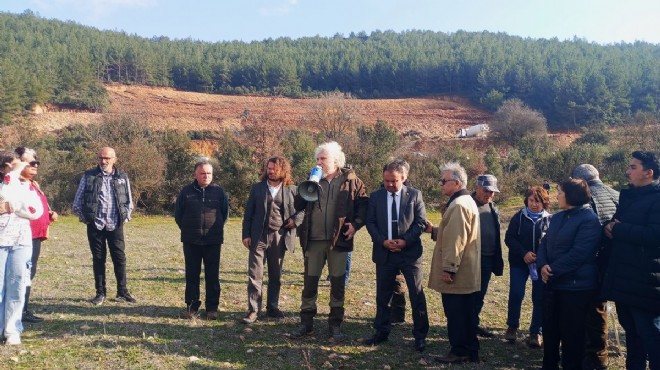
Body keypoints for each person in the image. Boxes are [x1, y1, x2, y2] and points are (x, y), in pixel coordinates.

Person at [289, 141, 368, 342]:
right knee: (310, 283)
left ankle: (335, 325)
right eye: (317, 159)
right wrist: (308, 186)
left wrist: (356, 225)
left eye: (323, 158)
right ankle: (306, 324)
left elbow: (363, 207)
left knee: (338, 284)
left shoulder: (351, 181)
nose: (319, 162)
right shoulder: (313, 180)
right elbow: (297, 205)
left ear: (335, 160)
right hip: (313, 240)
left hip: (338, 241)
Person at [602, 151, 660, 370]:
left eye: (633, 167)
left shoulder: (657, 198)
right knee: (633, 338)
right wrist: (607, 226)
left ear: (649, 172)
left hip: (647, 282)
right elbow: (617, 222)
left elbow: (655, 235)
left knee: (652, 337)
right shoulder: (629, 196)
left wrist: (619, 229)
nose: (627, 171)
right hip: (624, 278)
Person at [363, 160, 429, 352]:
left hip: (409, 254)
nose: (390, 185)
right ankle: (381, 332)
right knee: (383, 296)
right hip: (385, 253)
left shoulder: (415, 195)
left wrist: (405, 241)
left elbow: (420, 222)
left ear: (404, 178)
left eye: (394, 181)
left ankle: (420, 336)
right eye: (386, 181)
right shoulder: (376, 197)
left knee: (416, 295)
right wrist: (383, 241)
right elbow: (371, 222)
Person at [537, 178, 601, 370]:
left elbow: (580, 253)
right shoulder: (557, 217)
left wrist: (553, 270)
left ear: (572, 195)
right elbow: (544, 244)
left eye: (560, 192)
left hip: (576, 287)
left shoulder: (589, 220)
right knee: (550, 330)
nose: (557, 195)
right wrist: (542, 265)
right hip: (553, 284)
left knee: (572, 335)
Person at [428, 162, 481, 364]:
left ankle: (459, 350)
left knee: (456, 313)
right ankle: (470, 349)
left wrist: (449, 268)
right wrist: (434, 231)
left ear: (456, 183)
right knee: (466, 313)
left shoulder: (458, 205)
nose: (441, 184)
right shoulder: (466, 201)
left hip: (458, 273)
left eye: (444, 181)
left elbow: (455, 240)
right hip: (466, 270)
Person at [241, 156, 303, 324]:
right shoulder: (257, 188)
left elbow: (303, 210)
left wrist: (295, 220)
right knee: (255, 275)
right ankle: (253, 310)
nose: (270, 171)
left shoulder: (292, 190)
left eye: (274, 169)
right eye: (268, 168)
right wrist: (246, 234)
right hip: (258, 236)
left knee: (276, 275)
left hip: (280, 236)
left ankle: (272, 307)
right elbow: (248, 214)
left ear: (282, 170)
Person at [72, 147, 136, 306]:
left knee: (119, 259)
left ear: (115, 159)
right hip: (96, 225)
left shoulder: (122, 177)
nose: (103, 161)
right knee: (98, 259)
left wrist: (126, 216)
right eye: (101, 157)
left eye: (107, 158)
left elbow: (129, 201)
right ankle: (100, 293)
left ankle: (122, 292)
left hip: (116, 224)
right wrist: (86, 219)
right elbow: (77, 202)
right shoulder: (88, 176)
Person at [572, 163, 619, 370]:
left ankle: (595, 356)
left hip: (594, 263)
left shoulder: (586, 198)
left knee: (593, 310)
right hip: (618, 263)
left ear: (580, 181)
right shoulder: (617, 195)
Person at [174, 159, 229, 320]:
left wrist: (215, 228)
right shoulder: (186, 192)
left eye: (209, 173)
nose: (206, 176)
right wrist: (188, 229)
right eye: (203, 173)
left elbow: (224, 215)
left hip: (213, 240)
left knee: (213, 275)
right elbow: (178, 215)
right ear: (196, 175)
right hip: (191, 240)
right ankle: (192, 308)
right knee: (192, 275)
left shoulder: (220, 192)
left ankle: (212, 308)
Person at [0, 150, 43, 345]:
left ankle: (12, 330)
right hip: (1, 242)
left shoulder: (28, 186)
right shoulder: (7, 183)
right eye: (16, 164)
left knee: (17, 285)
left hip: (21, 242)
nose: (22, 167)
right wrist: (18, 204)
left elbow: (34, 211)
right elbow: (5, 193)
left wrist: (11, 207)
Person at [504, 186, 551, 348]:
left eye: (538, 201)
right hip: (519, 262)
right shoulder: (519, 217)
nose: (534, 204)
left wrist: (541, 257)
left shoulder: (549, 219)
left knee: (539, 298)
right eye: (531, 200)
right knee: (516, 293)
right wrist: (523, 253)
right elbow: (509, 238)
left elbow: (551, 243)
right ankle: (512, 326)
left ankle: (535, 332)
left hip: (540, 265)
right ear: (527, 201)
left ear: (544, 203)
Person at [15, 147, 58, 324]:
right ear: (18, 163)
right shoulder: (15, 184)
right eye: (31, 162)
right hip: (22, 236)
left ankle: (23, 309)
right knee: (21, 273)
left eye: (36, 162)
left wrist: (48, 214)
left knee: (28, 272)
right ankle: (17, 311)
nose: (35, 165)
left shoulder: (33, 183)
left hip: (35, 236)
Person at [471, 174, 504, 338]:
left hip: (488, 258)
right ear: (477, 187)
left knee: (480, 294)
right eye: (486, 191)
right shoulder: (467, 204)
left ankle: (473, 324)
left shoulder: (492, 207)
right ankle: (466, 325)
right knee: (469, 294)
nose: (489, 195)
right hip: (471, 259)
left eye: (492, 192)